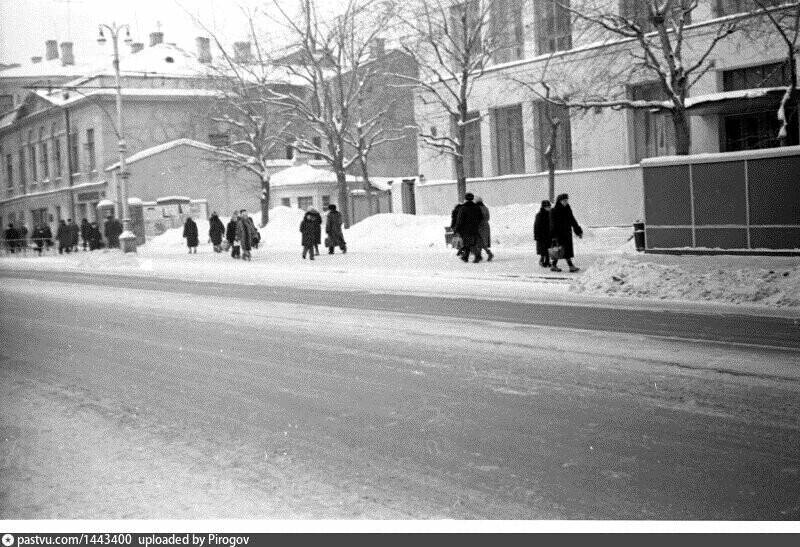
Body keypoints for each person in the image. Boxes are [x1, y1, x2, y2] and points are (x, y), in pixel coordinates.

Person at [549, 193, 583, 273]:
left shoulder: (568, 209)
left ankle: (554, 266)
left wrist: (578, 231)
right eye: (564, 200)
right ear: (559, 201)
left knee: (564, 250)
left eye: (566, 200)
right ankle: (571, 266)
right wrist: (553, 236)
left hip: (567, 233)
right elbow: (552, 224)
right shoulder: (554, 210)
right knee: (561, 250)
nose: (565, 202)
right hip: (559, 234)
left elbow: (573, 220)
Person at [454, 192, 484, 263]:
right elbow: (481, 217)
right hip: (475, 228)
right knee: (470, 242)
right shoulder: (477, 207)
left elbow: (460, 219)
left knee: (468, 243)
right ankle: (465, 256)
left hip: (465, 228)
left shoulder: (463, 208)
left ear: (465, 199)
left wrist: (457, 228)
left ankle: (477, 256)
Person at [534, 200, 552, 268]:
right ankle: (542, 261)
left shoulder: (550, 214)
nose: (549, 208)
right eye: (547, 207)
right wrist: (537, 236)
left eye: (549, 206)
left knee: (549, 249)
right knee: (543, 250)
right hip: (542, 235)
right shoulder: (539, 215)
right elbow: (537, 226)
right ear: (543, 207)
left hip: (549, 235)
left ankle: (547, 261)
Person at [475, 197, 494, 262]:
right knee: (483, 240)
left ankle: (480, 255)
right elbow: (488, 218)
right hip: (486, 226)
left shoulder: (476, 208)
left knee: (478, 240)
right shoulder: (486, 208)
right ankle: (484, 254)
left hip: (479, 226)